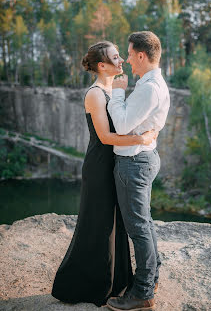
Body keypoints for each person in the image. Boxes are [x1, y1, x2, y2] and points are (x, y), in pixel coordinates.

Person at [51, 41, 157, 307]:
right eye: (115, 57)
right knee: (99, 225)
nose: (122, 60)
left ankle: (118, 281)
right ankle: (89, 285)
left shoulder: (115, 88)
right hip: (100, 166)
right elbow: (106, 137)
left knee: (118, 225)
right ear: (102, 65)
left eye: (121, 55)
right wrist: (141, 140)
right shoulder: (95, 94)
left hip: (118, 165)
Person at [106, 31, 170, 311]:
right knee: (145, 223)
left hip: (134, 164)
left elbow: (120, 126)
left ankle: (143, 293)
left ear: (142, 55)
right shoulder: (151, 83)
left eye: (130, 54)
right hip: (142, 158)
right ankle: (151, 278)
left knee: (139, 228)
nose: (127, 59)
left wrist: (118, 91)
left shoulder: (148, 88)